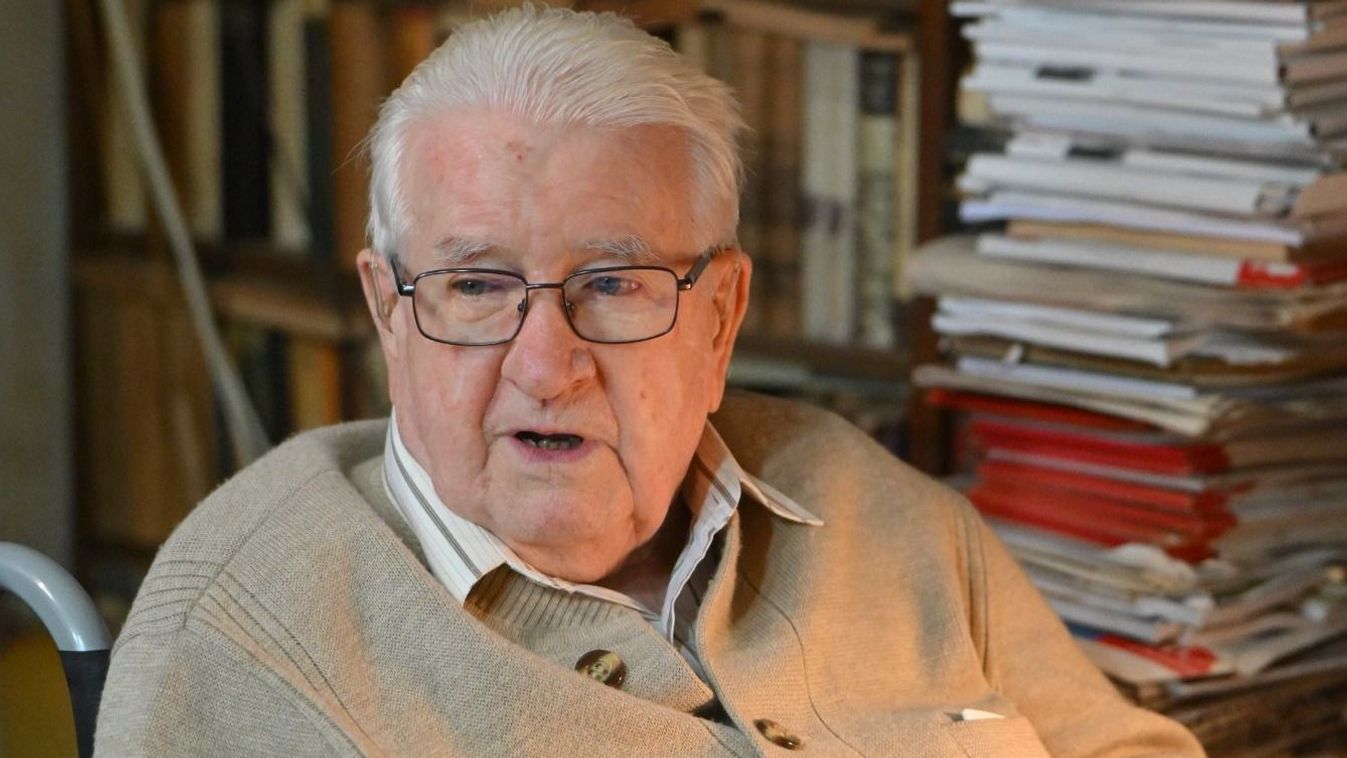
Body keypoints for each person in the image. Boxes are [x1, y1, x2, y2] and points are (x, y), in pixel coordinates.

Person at [96, 6, 1203, 756]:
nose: (547, 363)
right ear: (391, 313)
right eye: (477, 285)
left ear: (720, 317)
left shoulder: (872, 504)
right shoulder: (243, 644)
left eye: (614, 283)